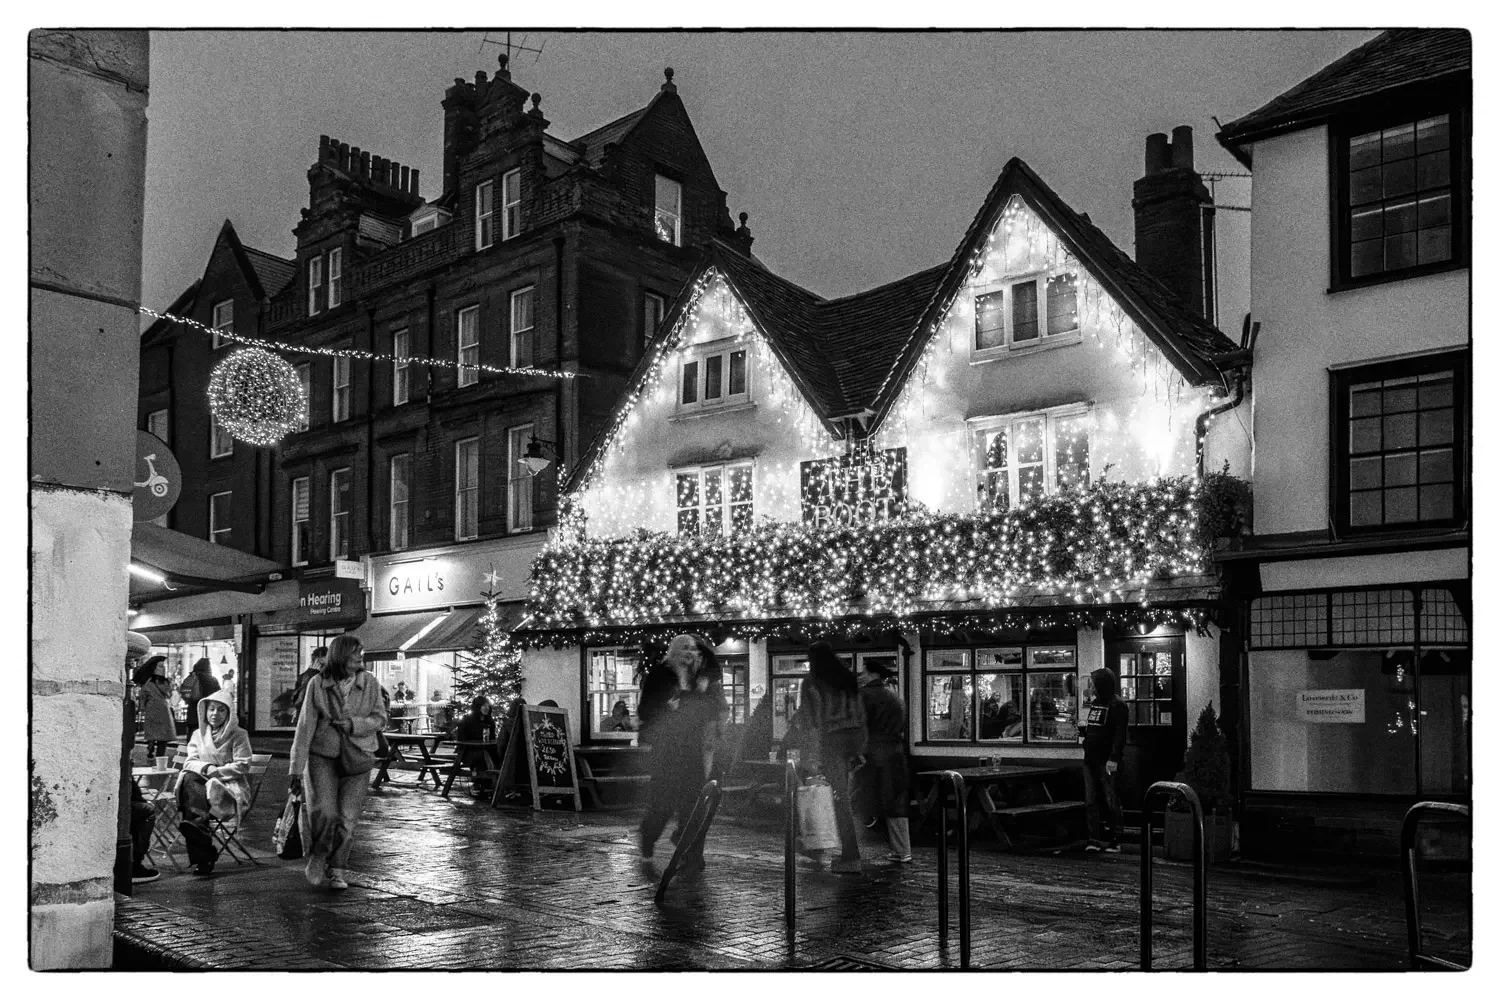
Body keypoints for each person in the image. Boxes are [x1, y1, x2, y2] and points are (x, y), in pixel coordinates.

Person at [289, 634, 389, 890]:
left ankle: (337, 869)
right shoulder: (317, 684)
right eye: (356, 651)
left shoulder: (370, 683)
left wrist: (354, 724)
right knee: (324, 812)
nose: (360, 656)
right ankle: (318, 856)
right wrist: (296, 768)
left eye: (361, 651)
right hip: (323, 756)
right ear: (342, 654)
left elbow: (380, 718)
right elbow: (305, 727)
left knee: (347, 817)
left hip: (358, 756)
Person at [638, 635, 722, 870]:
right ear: (674, 651)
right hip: (666, 752)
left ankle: (692, 854)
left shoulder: (698, 678)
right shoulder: (661, 675)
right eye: (684, 648)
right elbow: (645, 710)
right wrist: (668, 707)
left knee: (693, 807)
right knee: (662, 805)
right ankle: (648, 839)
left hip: (691, 752)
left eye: (692, 648)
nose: (689, 652)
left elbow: (707, 713)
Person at [793, 642, 868, 873]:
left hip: (830, 741)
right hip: (853, 740)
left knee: (828, 797)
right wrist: (859, 749)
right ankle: (834, 849)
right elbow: (861, 715)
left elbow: (810, 722)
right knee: (839, 797)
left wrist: (810, 757)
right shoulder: (848, 680)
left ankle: (843, 853)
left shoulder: (812, 682)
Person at [176, 689, 253, 876]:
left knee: (192, 807)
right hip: (202, 786)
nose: (215, 714)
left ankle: (200, 841)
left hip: (228, 787)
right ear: (204, 711)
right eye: (211, 709)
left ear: (229, 713)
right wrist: (206, 769)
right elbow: (190, 761)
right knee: (189, 778)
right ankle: (203, 850)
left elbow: (243, 764)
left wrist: (216, 772)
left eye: (221, 710)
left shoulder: (239, 734)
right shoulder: (198, 734)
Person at [858, 659, 912, 863]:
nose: (861, 674)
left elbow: (859, 726)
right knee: (895, 802)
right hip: (896, 753)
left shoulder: (864, 696)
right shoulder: (894, 697)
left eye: (864, 671)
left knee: (857, 801)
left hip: (871, 754)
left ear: (872, 674)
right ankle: (902, 849)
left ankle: (854, 850)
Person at [1081, 666, 1128, 853]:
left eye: (1093, 683)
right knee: (1091, 799)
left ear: (1101, 684)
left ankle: (1115, 839)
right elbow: (1096, 728)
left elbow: (1119, 733)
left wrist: (1114, 757)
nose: (1090, 687)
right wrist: (1085, 735)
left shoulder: (1118, 705)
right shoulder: (1096, 703)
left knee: (1110, 799)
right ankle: (1094, 839)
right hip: (1090, 757)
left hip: (1106, 760)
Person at [453, 695, 497, 796]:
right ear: (478, 707)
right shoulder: (467, 720)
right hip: (468, 750)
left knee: (495, 755)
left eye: (488, 706)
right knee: (480, 758)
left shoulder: (489, 721)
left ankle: (489, 782)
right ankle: (478, 782)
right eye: (484, 706)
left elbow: (493, 738)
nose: (487, 708)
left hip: (485, 749)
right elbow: (462, 738)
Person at [134, 655, 176, 759]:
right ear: (154, 669)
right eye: (161, 666)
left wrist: (142, 708)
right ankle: (159, 756)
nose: (164, 669)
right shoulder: (165, 683)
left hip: (152, 710)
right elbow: (169, 695)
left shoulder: (148, 684)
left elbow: (143, 697)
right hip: (162, 711)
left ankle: (151, 748)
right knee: (163, 738)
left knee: (154, 734)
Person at [177, 657, 221, 739]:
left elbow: (184, 692)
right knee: (207, 733)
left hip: (193, 710)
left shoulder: (191, 678)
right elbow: (219, 695)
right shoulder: (212, 680)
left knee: (193, 731)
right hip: (208, 710)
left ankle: (192, 748)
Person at [291, 646, 328, 717]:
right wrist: (311, 676)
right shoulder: (305, 677)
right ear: (315, 664)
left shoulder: (331, 677)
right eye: (322, 665)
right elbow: (299, 702)